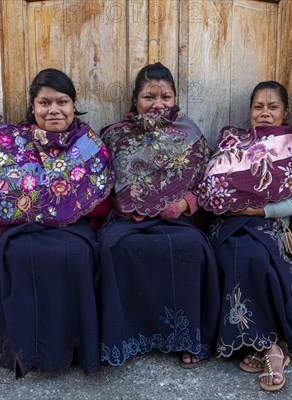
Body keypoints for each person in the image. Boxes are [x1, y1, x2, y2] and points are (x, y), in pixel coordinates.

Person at [0, 68, 114, 378]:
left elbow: (100, 203)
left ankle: (75, 349)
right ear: (32, 108)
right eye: (44, 103)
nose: (53, 110)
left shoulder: (88, 143)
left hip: (74, 230)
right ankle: (25, 350)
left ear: (74, 105)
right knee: (16, 256)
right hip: (23, 231)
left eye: (61, 101)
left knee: (75, 256)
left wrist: (51, 207)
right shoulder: (12, 145)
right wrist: (45, 208)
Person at [196, 81, 292, 391]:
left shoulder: (290, 145)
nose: (265, 113)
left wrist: (251, 211)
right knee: (230, 254)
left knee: (254, 257)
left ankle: (268, 344)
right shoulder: (233, 142)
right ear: (250, 111)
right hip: (226, 226)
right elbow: (212, 189)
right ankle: (262, 342)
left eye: (273, 107)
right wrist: (237, 206)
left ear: (284, 111)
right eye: (258, 106)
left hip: (266, 226)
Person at [97, 62, 220, 368]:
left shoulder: (190, 133)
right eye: (148, 97)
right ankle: (123, 337)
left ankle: (185, 338)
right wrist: (120, 202)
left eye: (165, 96)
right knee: (113, 248)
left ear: (175, 98)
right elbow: (101, 181)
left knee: (191, 248)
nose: (157, 104)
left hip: (173, 219)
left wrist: (183, 205)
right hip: (126, 221)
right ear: (135, 101)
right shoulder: (115, 135)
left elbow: (206, 183)